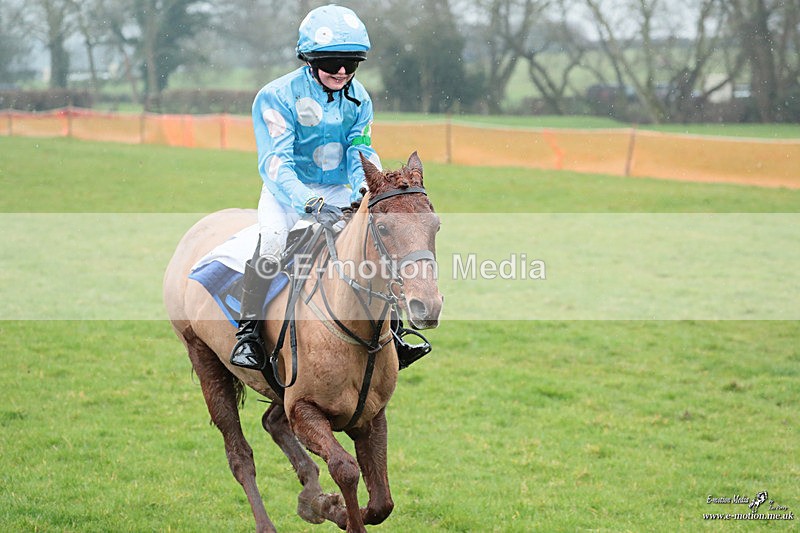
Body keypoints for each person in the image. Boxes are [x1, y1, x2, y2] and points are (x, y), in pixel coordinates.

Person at [230, 5, 429, 371]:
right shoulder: (276, 97)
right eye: (332, 62)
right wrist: (310, 201)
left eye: (351, 64)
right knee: (273, 242)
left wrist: (361, 191)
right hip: (288, 191)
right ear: (308, 60)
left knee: (375, 245)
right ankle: (248, 334)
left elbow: (360, 150)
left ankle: (395, 334)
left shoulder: (360, 98)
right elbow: (277, 163)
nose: (341, 72)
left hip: (340, 189)